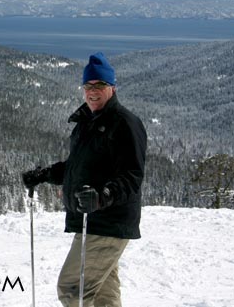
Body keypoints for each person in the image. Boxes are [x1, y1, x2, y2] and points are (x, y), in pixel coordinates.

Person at [22, 52, 147, 307]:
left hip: (107, 222)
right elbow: (78, 168)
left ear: (112, 87)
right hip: (93, 220)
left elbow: (132, 175)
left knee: (72, 289)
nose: (93, 91)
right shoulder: (87, 123)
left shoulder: (124, 123)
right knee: (102, 295)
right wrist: (45, 175)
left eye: (99, 85)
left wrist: (103, 196)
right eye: (88, 86)